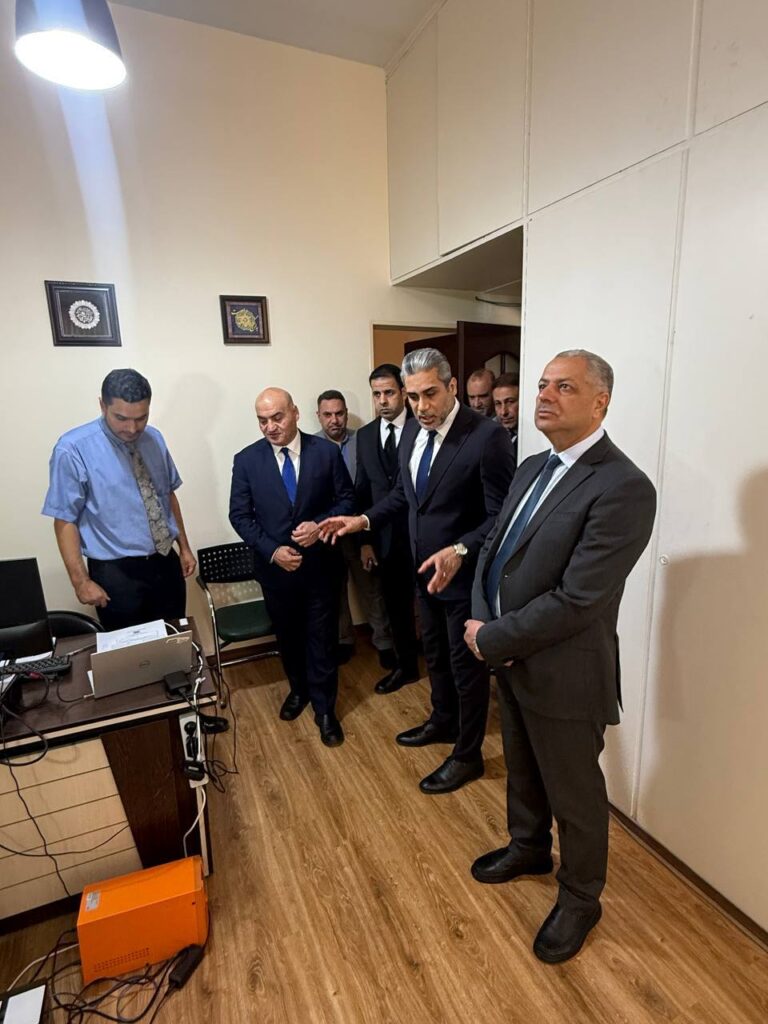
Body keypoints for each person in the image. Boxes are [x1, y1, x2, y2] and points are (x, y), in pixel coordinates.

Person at [464, 350, 656, 964]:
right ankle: (527, 848)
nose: (544, 395)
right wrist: (483, 620)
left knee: (575, 795)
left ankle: (579, 897)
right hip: (510, 655)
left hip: (565, 671)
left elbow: (578, 600)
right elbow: (494, 550)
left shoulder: (623, 487)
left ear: (601, 402)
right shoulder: (531, 467)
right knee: (522, 766)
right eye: (543, 384)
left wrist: (492, 637)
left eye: (564, 387)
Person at [320, 348, 515, 793]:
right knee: (436, 656)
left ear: (451, 386)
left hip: (464, 578)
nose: (421, 406)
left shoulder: (486, 437)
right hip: (423, 572)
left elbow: (501, 516)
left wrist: (460, 549)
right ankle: (443, 721)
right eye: (412, 397)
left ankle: (468, 755)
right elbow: (406, 497)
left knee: (466, 668)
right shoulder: (412, 431)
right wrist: (362, 521)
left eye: (430, 394)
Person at [229, 388, 354, 747]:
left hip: (321, 569)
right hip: (275, 572)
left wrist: (321, 525)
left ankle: (325, 709)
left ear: (296, 413)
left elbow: (347, 500)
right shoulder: (246, 460)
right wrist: (272, 551)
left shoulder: (326, 453)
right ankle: (299, 691)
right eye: (262, 420)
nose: (270, 426)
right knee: (288, 637)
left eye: (277, 417)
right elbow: (240, 515)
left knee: (322, 640)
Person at [42, 368, 196, 631]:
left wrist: (184, 547)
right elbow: (65, 519)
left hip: (164, 562)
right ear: (103, 405)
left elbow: (167, 495)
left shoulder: (154, 438)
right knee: (130, 650)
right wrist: (81, 582)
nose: (132, 428)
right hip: (116, 572)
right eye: (121, 418)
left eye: (141, 418)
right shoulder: (72, 449)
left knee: (174, 640)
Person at [353, 364, 420, 694]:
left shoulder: (422, 428)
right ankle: (407, 667)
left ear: (404, 393)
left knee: (435, 605)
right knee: (396, 608)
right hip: (385, 539)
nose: (382, 400)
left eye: (389, 392)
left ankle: (445, 666)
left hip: (423, 534)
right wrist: (365, 541)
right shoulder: (365, 435)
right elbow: (363, 490)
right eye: (376, 394)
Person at [315, 389, 394, 667]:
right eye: (327, 414)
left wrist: (366, 538)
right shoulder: (312, 448)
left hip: (360, 527)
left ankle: (384, 642)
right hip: (327, 532)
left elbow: (371, 489)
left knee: (371, 587)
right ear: (318, 416)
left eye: (339, 413)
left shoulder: (363, 441)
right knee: (334, 591)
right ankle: (344, 640)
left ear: (346, 414)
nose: (334, 420)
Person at [492, 372, 520, 468]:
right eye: (498, 403)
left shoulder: (535, 435)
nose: (503, 412)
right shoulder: (489, 434)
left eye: (510, 402)